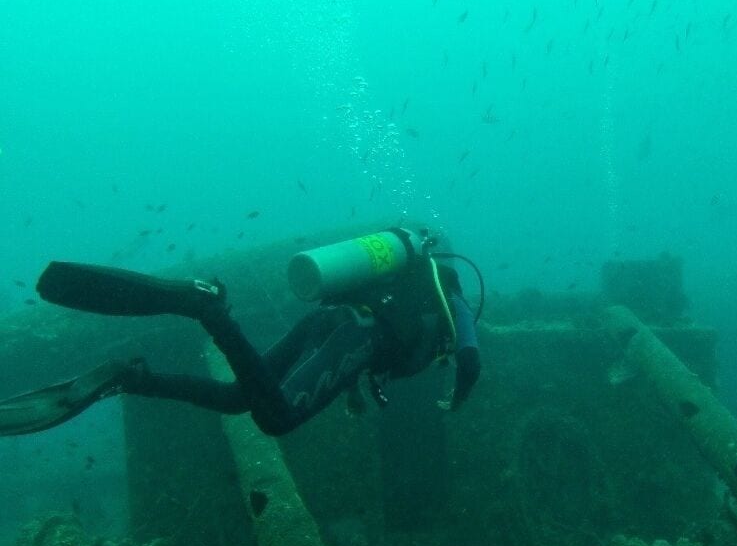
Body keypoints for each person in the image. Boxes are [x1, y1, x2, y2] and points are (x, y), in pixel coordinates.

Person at [0, 226, 481, 437]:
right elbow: (471, 356)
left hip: (333, 323)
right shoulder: (450, 295)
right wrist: (459, 393)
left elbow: (369, 354)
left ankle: (130, 378)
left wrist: (353, 389)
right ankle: (206, 308)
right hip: (357, 336)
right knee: (277, 417)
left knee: (237, 397)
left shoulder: (412, 287)